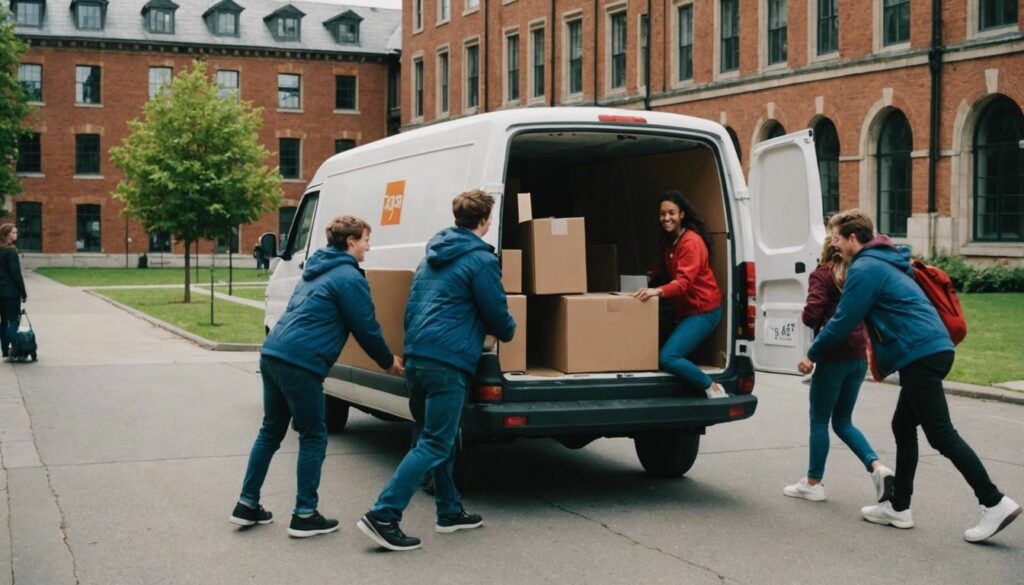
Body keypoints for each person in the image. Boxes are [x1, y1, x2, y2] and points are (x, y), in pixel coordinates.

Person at [799, 209, 1020, 543]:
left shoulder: (865, 267)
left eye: (837, 237)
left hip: (921, 353)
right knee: (903, 426)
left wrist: (811, 355)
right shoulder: (885, 260)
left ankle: (994, 501)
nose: (834, 243)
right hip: (930, 349)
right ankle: (899, 507)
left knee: (941, 435)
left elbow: (844, 320)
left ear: (853, 239)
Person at [358, 189, 516, 552]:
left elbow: (413, 307)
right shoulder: (481, 260)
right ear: (484, 221)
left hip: (418, 358)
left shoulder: (430, 258)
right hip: (448, 362)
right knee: (436, 441)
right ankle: (384, 514)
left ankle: (449, 510)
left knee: (434, 436)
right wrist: (509, 330)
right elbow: (496, 311)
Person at [231, 215, 403, 538]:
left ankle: (246, 504)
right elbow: (365, 327)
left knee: (271, 431)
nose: (369, 245)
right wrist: (387, 362)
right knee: (313, 435)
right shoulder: (348, 278)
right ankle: (305, 514)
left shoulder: (314, 271)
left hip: (274, 353)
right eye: (367, 239)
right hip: (301, 363)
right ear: (351, 242)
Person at [783, 236, 894, 503]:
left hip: (833, 355)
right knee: (843, 421)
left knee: (819, 420)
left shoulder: (822, 274)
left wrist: (806, 314)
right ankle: (878, 468)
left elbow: (812, 315)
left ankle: (813, 483)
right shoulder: (856, 274)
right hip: (858, 356)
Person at [633, 191, 727, 399]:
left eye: (672, 213)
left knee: (668, 356)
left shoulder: (691, 242)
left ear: (682, 214)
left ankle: (711, 386)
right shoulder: (670, 241)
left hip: (703, 311)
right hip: (684, 309)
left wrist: (656, 291)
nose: (666, 218)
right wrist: (647, 278)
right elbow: (662, 268)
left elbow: (683, 283)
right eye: (662, 214)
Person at [0, 224, 27, 360]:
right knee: (12, 321)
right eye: (13, 232)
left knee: (3, 321)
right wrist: (23, 293)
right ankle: (15, 350)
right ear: (6, 235)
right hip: (11, 292)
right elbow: (16, 274)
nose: (16, 234)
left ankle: (5, 350)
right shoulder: (11, 251)